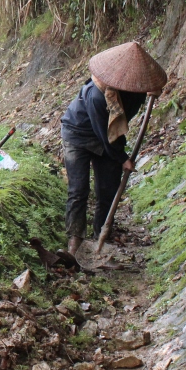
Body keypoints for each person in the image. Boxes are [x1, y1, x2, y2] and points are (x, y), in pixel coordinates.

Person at [59, 41, 166, 257]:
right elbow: (104, 133)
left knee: (108, 189)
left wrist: (150, 94)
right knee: (79, 190)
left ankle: (102, 234)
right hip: (78, 135)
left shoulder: (135, 91)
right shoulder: (97, 94)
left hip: (109, 138)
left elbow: (118, 127)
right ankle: (75, 239)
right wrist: (122, 158)